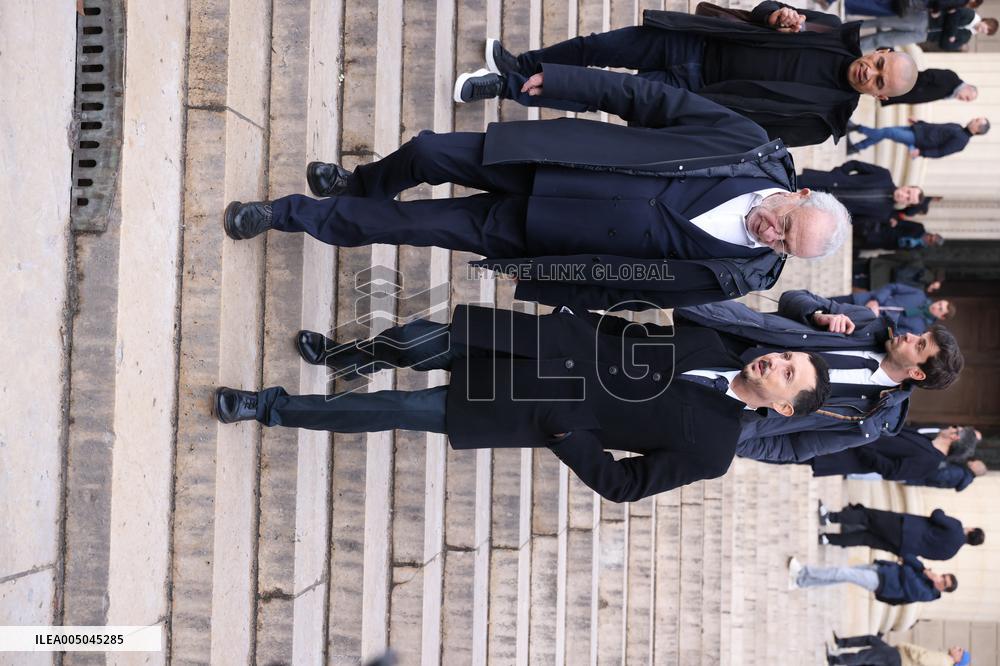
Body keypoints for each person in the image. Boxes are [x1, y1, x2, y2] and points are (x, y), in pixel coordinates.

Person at [224, 67, 850, 312]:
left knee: (408, 225)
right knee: (429, 151)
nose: (772, 234)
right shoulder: (747, 146)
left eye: (783, 245)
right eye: (784, 223)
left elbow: (632, 291)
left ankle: (285, 213)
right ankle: (361, 183)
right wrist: (571, 83)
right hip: (553, 163)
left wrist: (550, 282)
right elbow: (652, 100)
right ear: (798, 195)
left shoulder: (739, 276)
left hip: (540, 234)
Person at [212, 305, 832, 503]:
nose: (773, 363)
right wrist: (578, 319)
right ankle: (351, 355)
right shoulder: (711, 342)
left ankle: (269, 407)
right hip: (534, 345)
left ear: (782, 408)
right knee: (414, 340)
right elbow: (630, 330)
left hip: (530, 406)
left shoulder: (714, 449)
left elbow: (624, 485)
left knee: (393, 410)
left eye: (787, 374)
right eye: (784, 355)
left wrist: (569, 435)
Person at [452, 1, 919, 146]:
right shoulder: (833, 29)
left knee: (598, 92)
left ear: (881, 97)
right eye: (879, 63)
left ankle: (504, 86)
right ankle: (522, 64)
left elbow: (752, 134)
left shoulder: (824, 121)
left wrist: (687, 121)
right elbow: (764, 12)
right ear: (882, 50)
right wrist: (777, 13)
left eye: (879, 82)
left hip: (692, 92)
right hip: (696, 41)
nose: (870, 72)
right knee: (597, 46)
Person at [672, 290, 964, 462]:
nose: (911, 336)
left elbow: (793, 448)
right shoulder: (867, 324)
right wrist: (817, 314)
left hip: (718, 410)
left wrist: (735, 439)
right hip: (717, 341)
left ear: (916, 372)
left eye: (919, 346)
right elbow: (794, 297)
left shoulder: (869, 421)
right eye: (921, 336)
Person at [817, 502, 984, 559]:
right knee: (865, 539)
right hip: (903, 548)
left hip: (906, 528)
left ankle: (830, 517)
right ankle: (827, 539)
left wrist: (941, 511)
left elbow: (937, 516)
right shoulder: (951, 553)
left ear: (971, 530)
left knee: (867, 517)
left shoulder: (957, 527)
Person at [810, 426, 976, 479]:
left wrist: (864, 446)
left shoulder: (930, 462)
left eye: (956, 428)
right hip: (846, 437)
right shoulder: (928, 441)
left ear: (954, 436)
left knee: (800, 452)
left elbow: (892, 471)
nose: (951, 427)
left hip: (843, 455)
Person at [789, 555, 957, 605]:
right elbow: (909, 558)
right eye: (943, 577)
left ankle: (802, 571)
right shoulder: (927, 576)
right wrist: (923, 569)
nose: (940, 580)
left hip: (881, 583)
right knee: (841, 576)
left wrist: (923, 572)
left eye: (944, 583)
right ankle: (801, 582)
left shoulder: (928, 594)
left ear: (943, 590)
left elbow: (908, 579)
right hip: (883, 569)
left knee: (841, 572)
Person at [797, 160, 923, 226]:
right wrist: (837, 174)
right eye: (908, 192)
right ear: (907, 186)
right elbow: (855, 165)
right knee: (789, 183)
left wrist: (836, 215)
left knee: (790, 205)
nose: (904, 195)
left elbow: (854, 220)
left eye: (908, 199)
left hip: (824, 207)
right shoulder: (884, 175)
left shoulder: (883, 214)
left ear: (907, 204)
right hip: (826, 182)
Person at [832, 283, 955, 335]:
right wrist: (876, 300)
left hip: (863, 322)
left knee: (832, 322)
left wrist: (875, 320)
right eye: (939, 303)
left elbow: (893, 334)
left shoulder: (919, 328)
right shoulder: (919, 294)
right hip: (862, 300)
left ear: (941, 317)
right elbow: (894, 287)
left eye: (940, 309)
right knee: (827, 303)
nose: (936, 306)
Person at [849, 117, 990, 159]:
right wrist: (920, 122)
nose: (974, 119)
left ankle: (856, 128)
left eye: (977, 121)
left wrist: (921, 153)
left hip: (917, 140)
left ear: (978, 129)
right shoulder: (958, 126)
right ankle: (856, 147)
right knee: (884, 132)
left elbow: (941, 152)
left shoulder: (962, 141)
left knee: (887, 132)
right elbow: (935, 127)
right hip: (917, 129)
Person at [827, 635, 970, 666]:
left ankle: (834, 659)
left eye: (960, 651)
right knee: (872, 640)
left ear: (958, 659)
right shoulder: (944, 660)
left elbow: (923, 657)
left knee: (866, 656)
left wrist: (905, 646)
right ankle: (840, 643)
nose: (957, 647)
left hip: (900, 656)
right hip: (899, 660)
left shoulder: (944, 660)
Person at [881, 69, 977, 106]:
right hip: (904, 84)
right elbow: (929, 74)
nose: (964, 100)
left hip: (900, 93)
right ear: (968, 88)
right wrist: (917, 89)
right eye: (967, 97)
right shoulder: (952, 78)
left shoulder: (951, 93)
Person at [926, 8, 998, 50]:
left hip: (927, 36)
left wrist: (949, 32)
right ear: (985, 21)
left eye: (982, 32)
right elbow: (953, 15)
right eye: (983, 28)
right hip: (930, 20)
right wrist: (951, 35)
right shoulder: (970, 14)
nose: (980, 30)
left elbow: (946, 46)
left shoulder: (966, 38)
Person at [853, 218, 942, 251]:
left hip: (886, 243)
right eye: (931, 236)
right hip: (886, 232)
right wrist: (897, 222)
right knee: (860, 232)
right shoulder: (920, 228)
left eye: (931, 240)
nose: (929, 237)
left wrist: (907, 245)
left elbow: (902, 249)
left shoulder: (919, 247)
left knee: (859, 243)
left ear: (931, 244)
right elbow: (906, 223)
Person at [906, 458, 987, 492]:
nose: (972, 461)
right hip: (915, 478)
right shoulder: (963, 476)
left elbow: (936, 475)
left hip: (913, 473)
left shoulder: (960, 473)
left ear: (975, 467)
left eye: (975, 462)